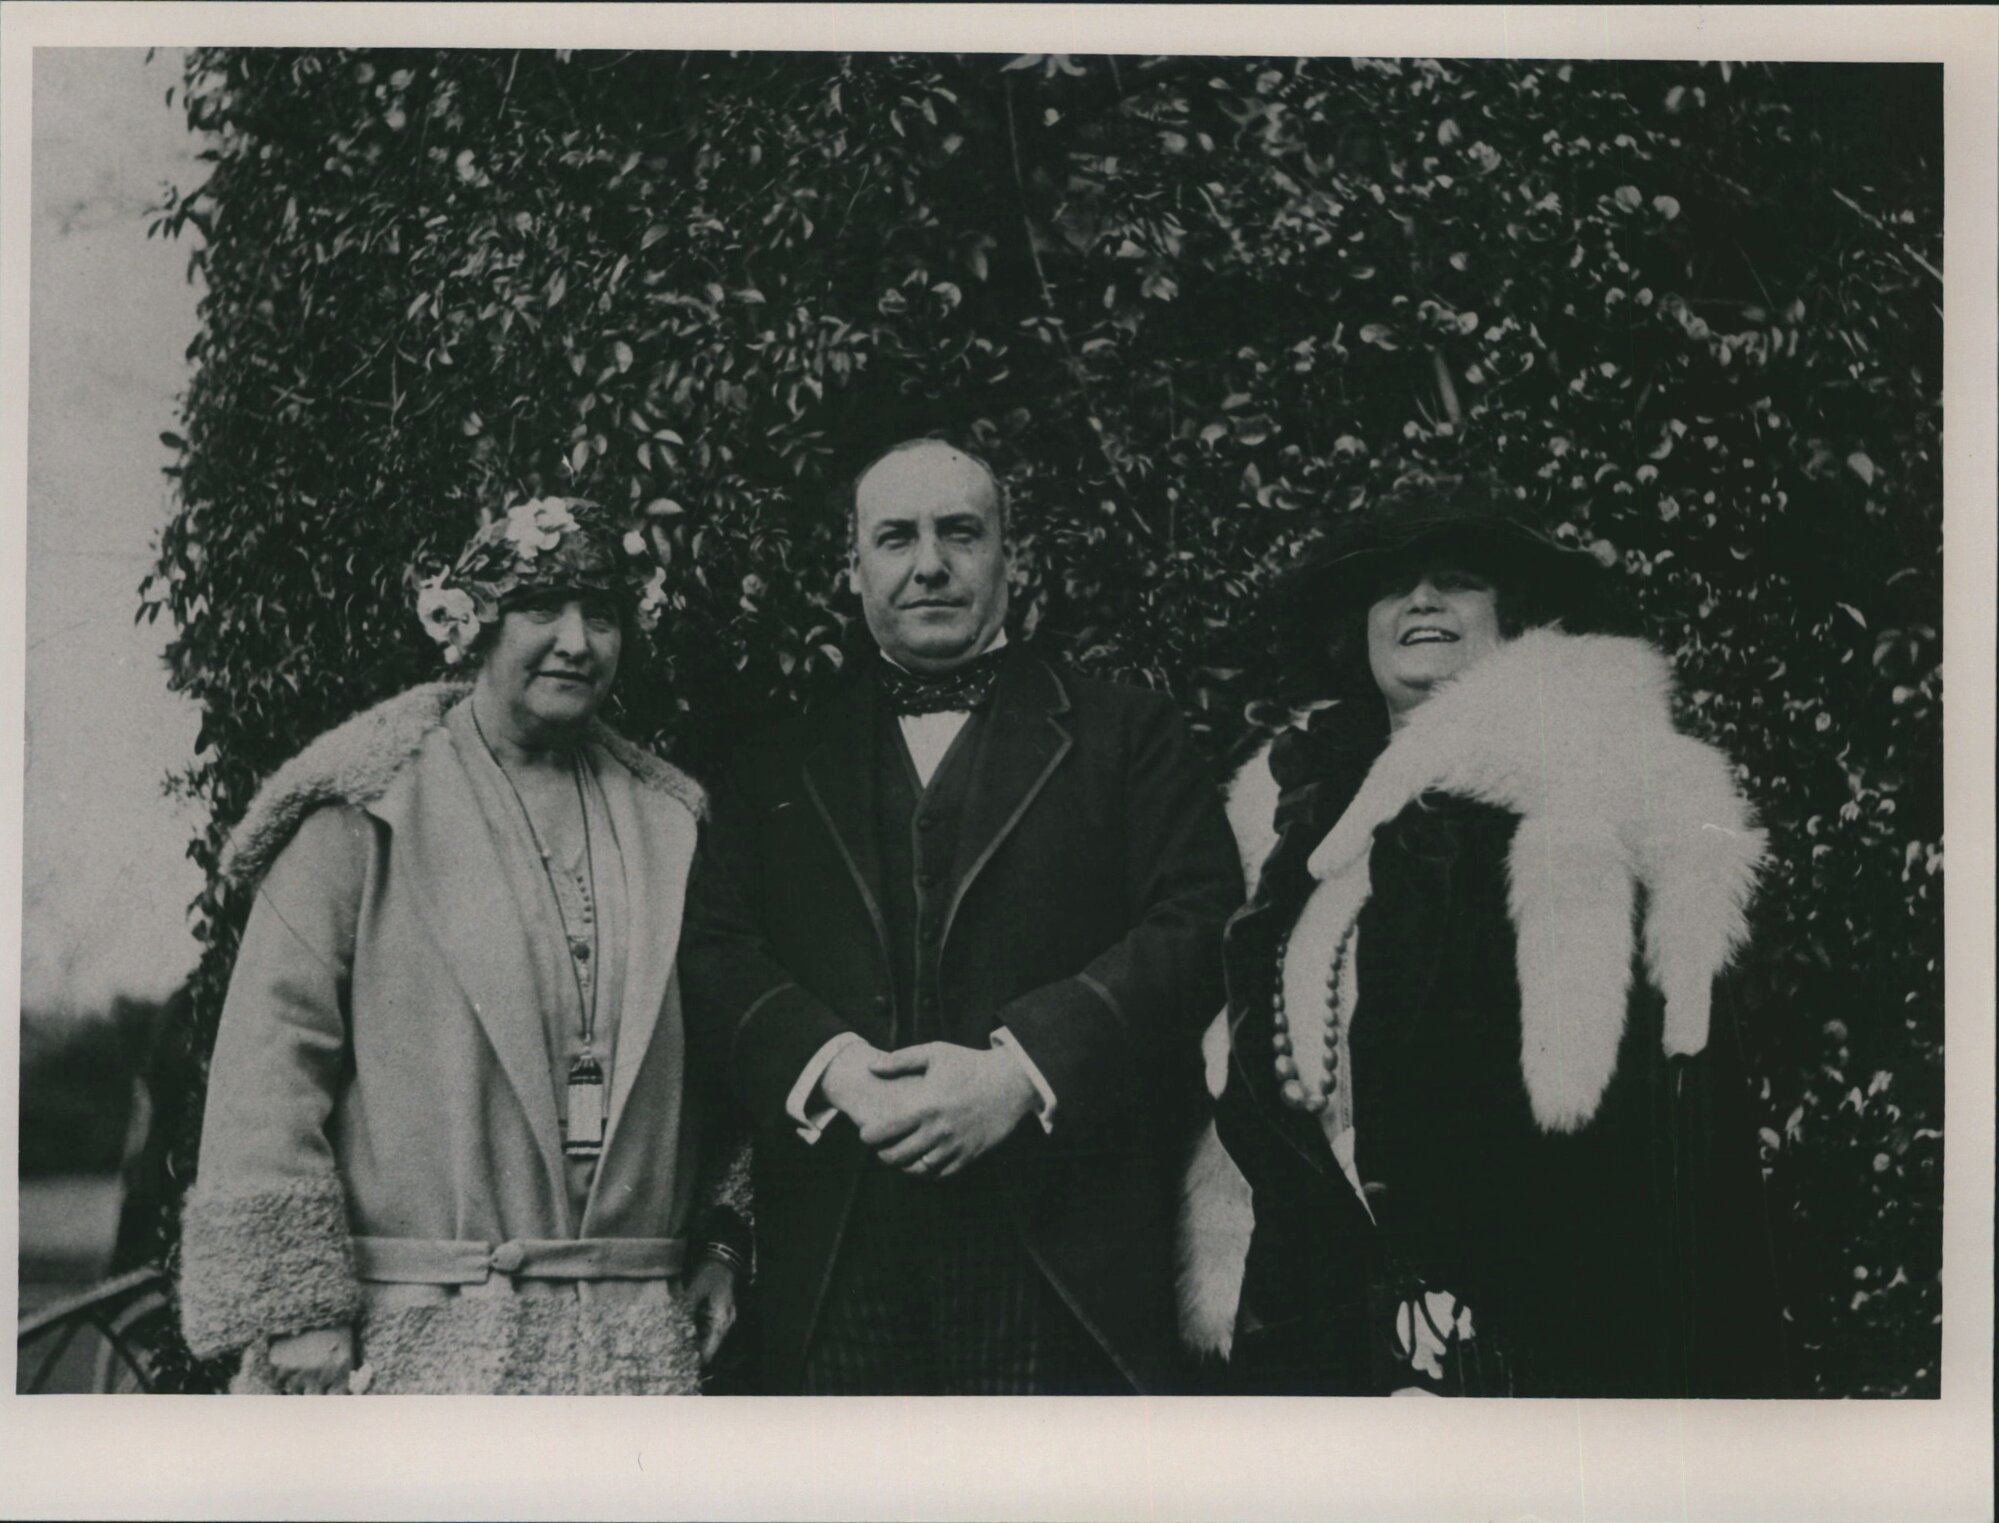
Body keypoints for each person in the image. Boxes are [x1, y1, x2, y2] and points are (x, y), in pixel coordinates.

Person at [1178, 479, 1789, 1397]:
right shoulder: (1296, 837)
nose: (1421, 600)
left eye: (1456, 580)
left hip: (1547, 1340)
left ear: (1516, 622)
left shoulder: (1603, 797)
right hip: (1338, 1354)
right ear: (1360, 628)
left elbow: (1668, 1144)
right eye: (1392, 585)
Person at [679, 438, 1244, 1394]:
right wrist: (837, 1071)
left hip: (1060, 1248)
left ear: (1009, 561)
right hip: (838, 1251)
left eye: (960, 533)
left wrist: (1022, 1074)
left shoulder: (1128, 733)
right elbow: (716, 951)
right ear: (853, 568)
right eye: (895, 538)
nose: (928, 564)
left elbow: (1198, 923)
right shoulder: (774, 763)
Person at [177, 497, 750, 1394]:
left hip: (631, 1347)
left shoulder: (670, 818)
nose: (576, 640)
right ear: (474, 622)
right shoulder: (365, 807)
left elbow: (729, 1059)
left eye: (600, 613)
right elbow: (269, 1067)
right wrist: (296, 1308)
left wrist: (720, 1242)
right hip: (411, 1343)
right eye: (541, 607)